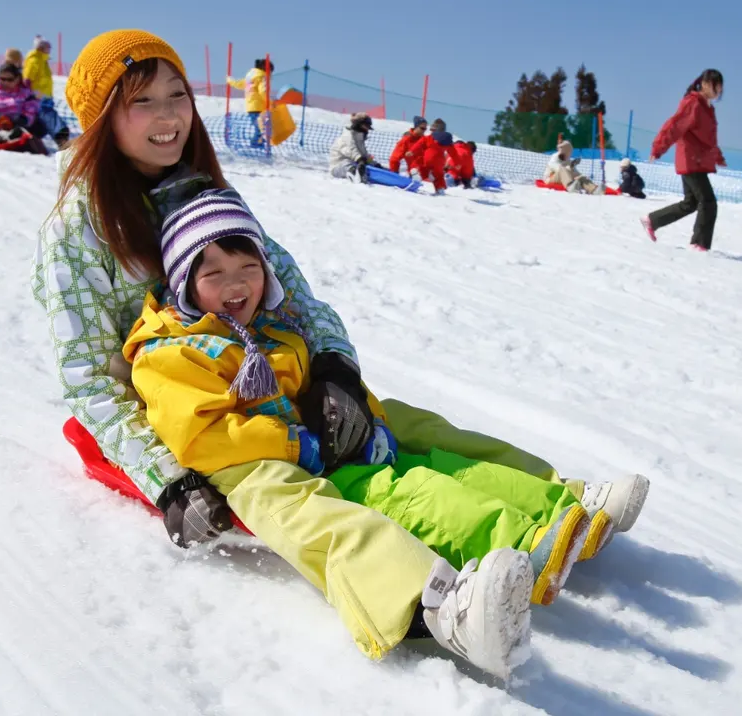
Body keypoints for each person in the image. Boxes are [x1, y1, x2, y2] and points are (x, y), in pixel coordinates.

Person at [33, 28, 650, 674]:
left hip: (270, 370)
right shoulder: (79, 227)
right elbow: (87, 379)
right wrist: (168, 481)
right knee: (302, 496)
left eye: (176, 95)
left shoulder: (202, 189)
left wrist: (333, 371)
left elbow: (293, 292)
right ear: (104, 120)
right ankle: (436, 605)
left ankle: (555, 501)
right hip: (198, 420)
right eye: (141, 103)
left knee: (404, 425)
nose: (168, 118)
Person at [126, 189, 622, 605]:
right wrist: (300, 446)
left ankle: (555, 504)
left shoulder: (274, 327)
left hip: (316, 443)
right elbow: (204, 436)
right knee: (403, 492)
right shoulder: (174, 353)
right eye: (213, 274)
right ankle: (521, 543)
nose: (236, 285)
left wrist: (369, 417)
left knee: (426, 448)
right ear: (185, 284)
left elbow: (318, 378)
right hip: (270, 462)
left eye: (248, 267)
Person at [641, 69, 725, 250]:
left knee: (691, 203)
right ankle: (699, 244)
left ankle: (652, 221)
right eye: (714, 84)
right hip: (691, 160)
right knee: (708, 201)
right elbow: (674, 126)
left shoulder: (708, 108)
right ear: (704, 84)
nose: (718, 88)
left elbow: (708, 139)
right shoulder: (693, 103)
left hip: (699, 161)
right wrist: (658, 148)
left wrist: (717, 156)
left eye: (720, 85)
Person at [0, 64, 48, 154]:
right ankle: (1, 137)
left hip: (18, 122)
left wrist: (24, 119)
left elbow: (31, 108)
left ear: (17, 79)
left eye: (10, 80)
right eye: (2, 79)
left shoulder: (25, 92)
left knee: (40, 124)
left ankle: (21, 137)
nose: (5, 82)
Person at [23, 35, 71, 148]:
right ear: (41, 47)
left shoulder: (43, 60)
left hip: (45, 94)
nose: (50, 49)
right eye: (47, 47)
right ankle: (60, 134)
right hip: (38, 95)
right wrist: (31, 93)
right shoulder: (34, 60)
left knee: (44, 115)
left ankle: (37, 133)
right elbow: (28, 78)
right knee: (46, 113)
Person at [227, 58, 272, 147]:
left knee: (260, 128)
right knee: (261, 129)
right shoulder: (263, 76)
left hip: (251, 106)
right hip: (260, 106)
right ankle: (255, 145)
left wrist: (230, 81)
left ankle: (258, 144)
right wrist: (269, 102)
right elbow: (263, 91)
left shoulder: (250, 76)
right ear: (266, 68)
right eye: (270, 71)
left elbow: (240, 84)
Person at [329, 112, 381, 183]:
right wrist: (359, 159)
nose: (367, 130)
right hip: (337, 166)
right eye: (366, 126)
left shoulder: (359, 138)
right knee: (347, 163)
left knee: (364, 166)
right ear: (359, 124)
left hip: (354, 164)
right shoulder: (347, 135)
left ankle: (359, 173)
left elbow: (364, 154)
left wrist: (374, 164)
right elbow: (351, 150)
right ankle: (354, 174)